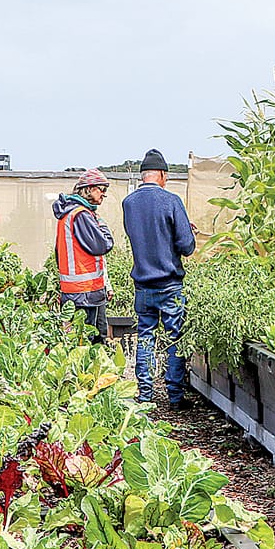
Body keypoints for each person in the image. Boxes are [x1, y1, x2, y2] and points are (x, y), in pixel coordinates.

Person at [120, 148, 196, 406]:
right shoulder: (171, 201)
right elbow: (186, 245)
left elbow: (144, 234)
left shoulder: (129, 203)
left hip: (142, 285)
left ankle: (145, 396)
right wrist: (185, 230)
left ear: (143, 176)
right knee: (175, 338)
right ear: (162, 175)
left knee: (146, 336)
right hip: (170, 284)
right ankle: (175, 396)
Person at [52, 168, 116, 341]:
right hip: (85, 293)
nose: (104, 195)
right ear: (88, 189)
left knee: (82, 342)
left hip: (79, 292)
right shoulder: (82, 215)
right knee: (89, 344)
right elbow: (103, 244)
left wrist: (105, 284)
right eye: (101, 190)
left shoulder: (69, 213)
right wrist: (100, 223)